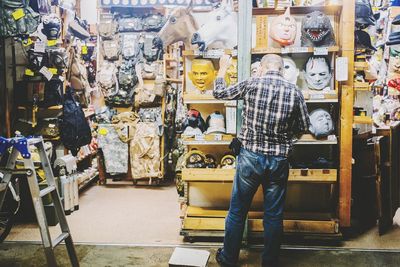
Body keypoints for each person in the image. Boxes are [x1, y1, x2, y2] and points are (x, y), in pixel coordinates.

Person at [213, 54, 311, 267]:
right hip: (278, 160)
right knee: (274, 215)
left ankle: (229, 259)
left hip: (250, 158)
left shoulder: (251, 84)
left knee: (238, 211)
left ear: (263, 67)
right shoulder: (294, 91)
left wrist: (222, 69)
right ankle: (270, 262)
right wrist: (286, 138)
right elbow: (304, 126)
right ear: (282, 70)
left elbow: (219, 92)